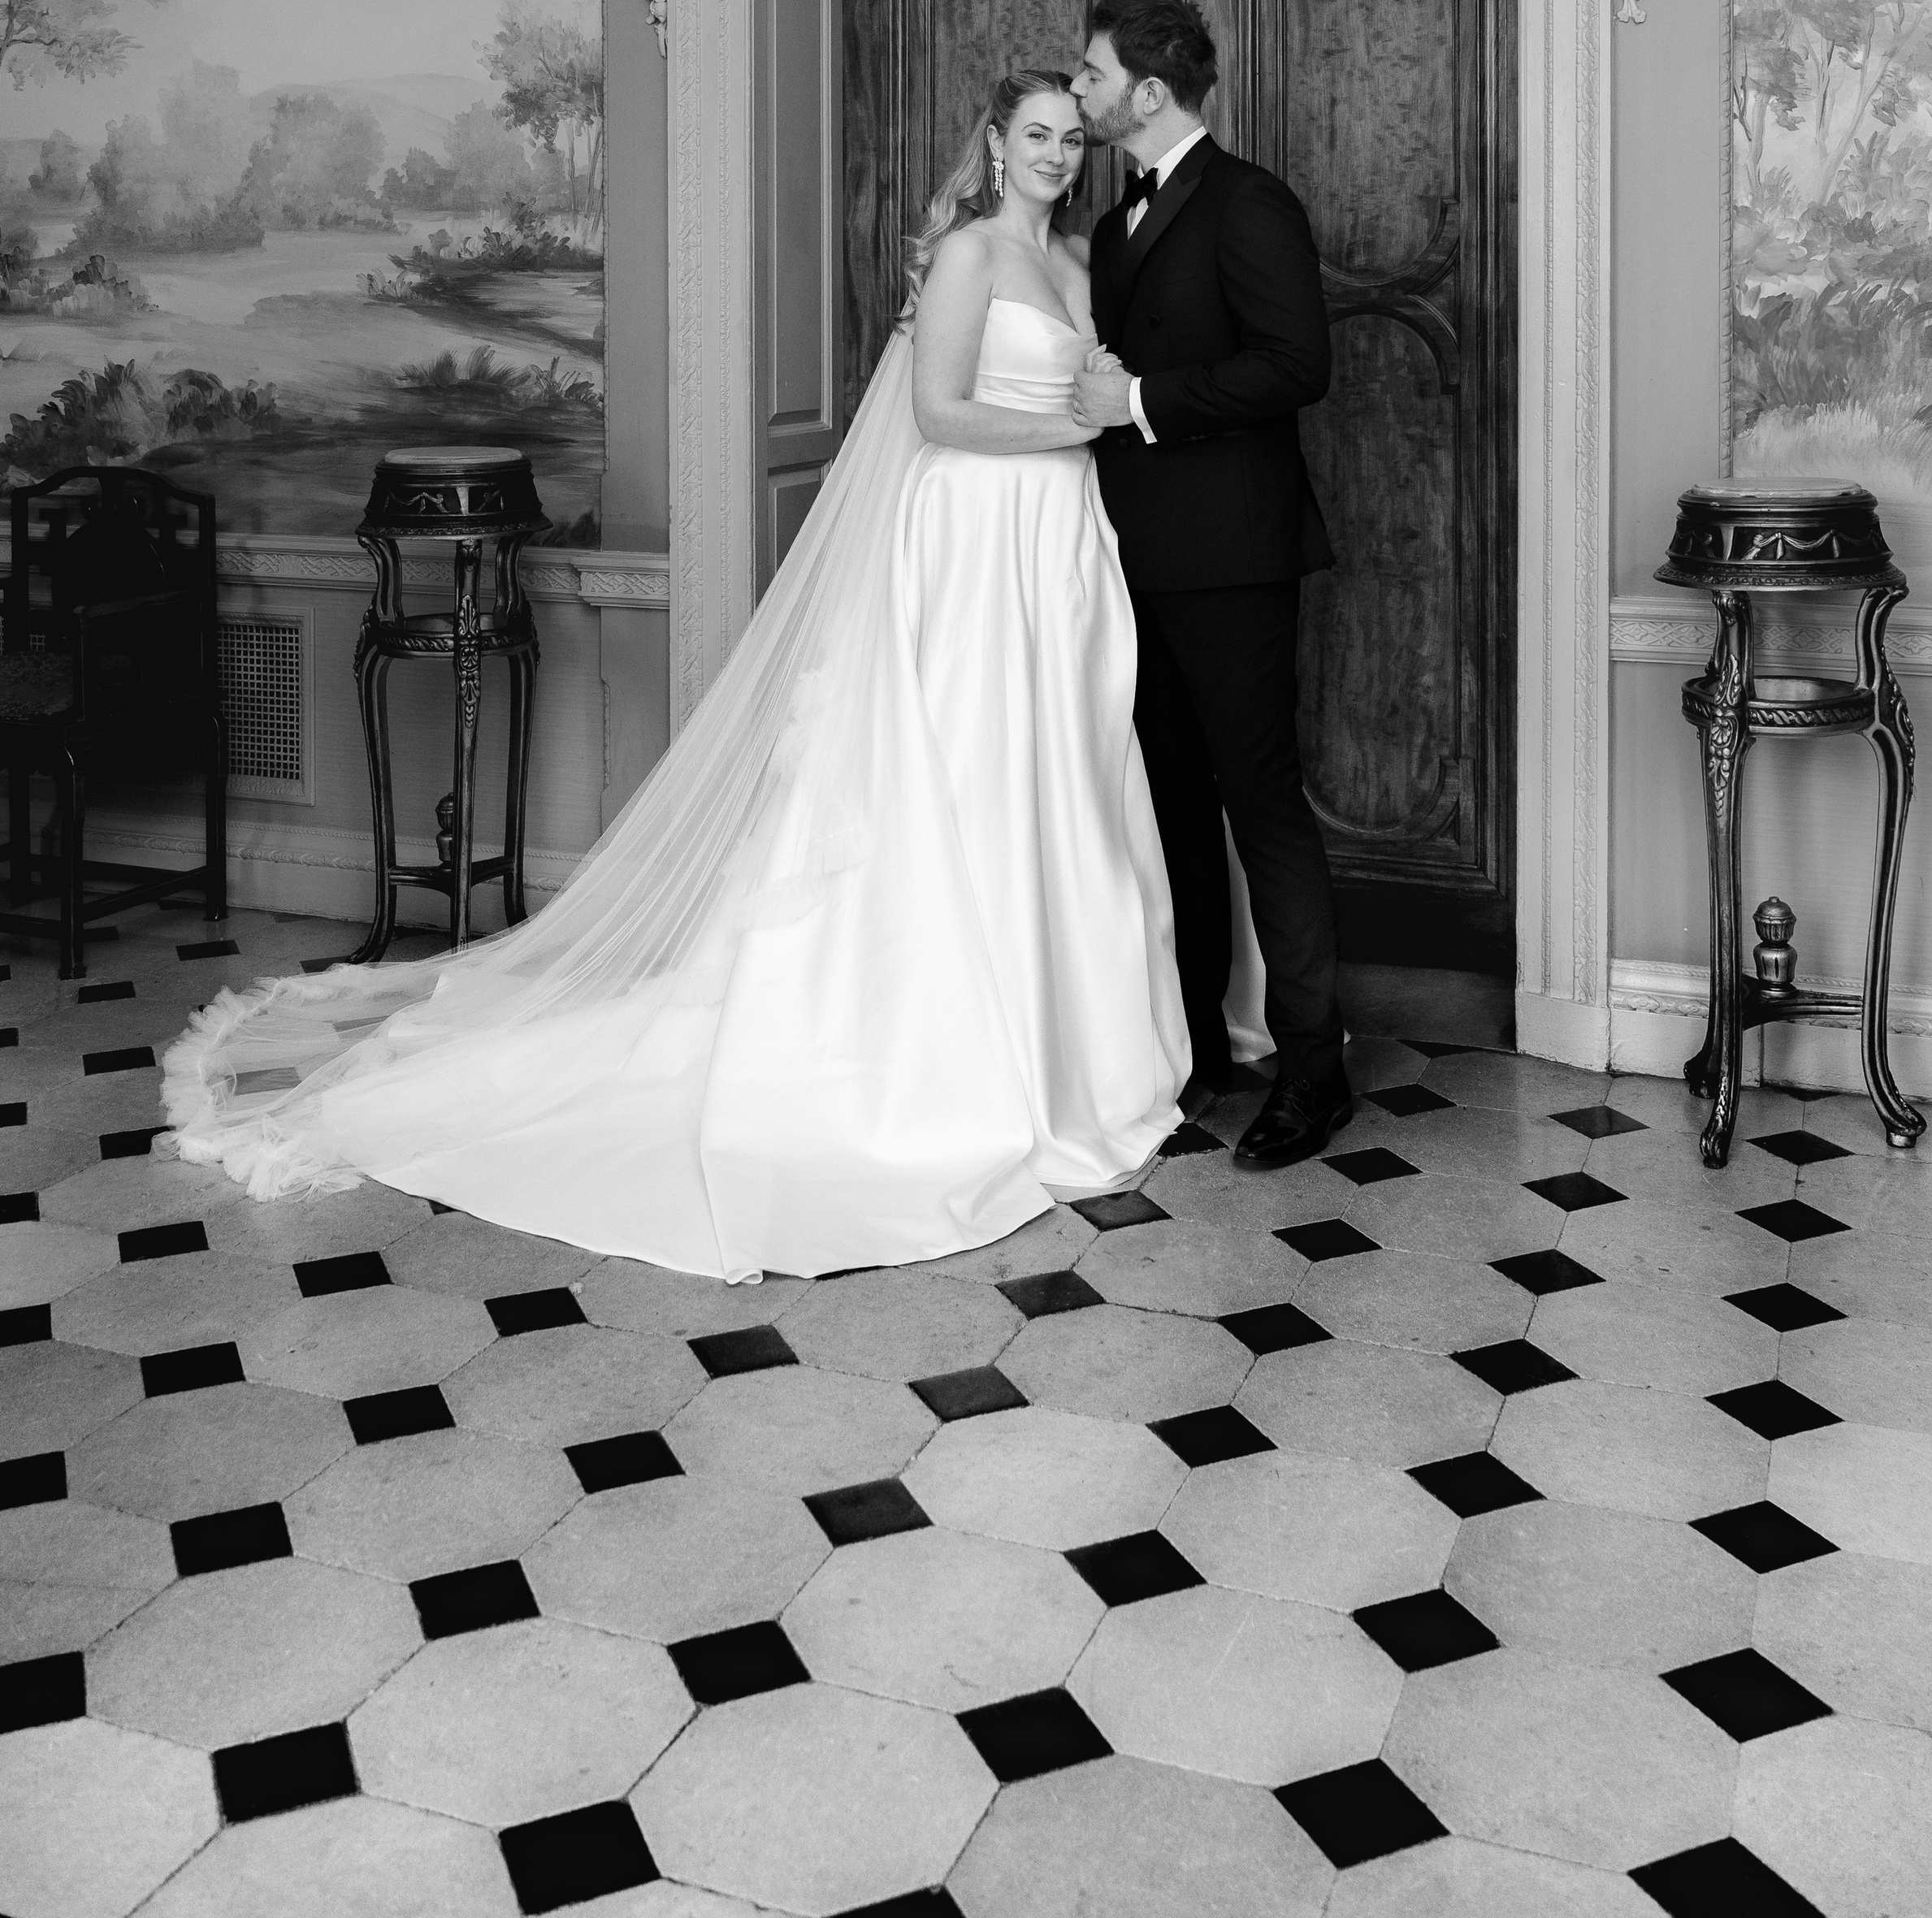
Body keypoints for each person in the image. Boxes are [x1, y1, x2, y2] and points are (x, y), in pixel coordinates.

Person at [160, 68, 1189, 1282]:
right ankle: (942, 1070)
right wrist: (1098, 423)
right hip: (974, 543)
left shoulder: (1078, 262)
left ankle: (1068, 1058)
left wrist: (1099, 423)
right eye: (1036, 135)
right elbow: (943, 414)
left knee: (1053, 784)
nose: (1058, 154)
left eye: (1073, 137)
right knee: (960, 778)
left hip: (1057, 549)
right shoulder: (968, 257)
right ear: (997, 143)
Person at [1070, 0, 1352, 1171]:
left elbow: (1299, 365)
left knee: (1262, 806)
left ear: (1147, 92)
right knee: (1174, 808)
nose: (1076, 90)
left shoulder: (1249, 202)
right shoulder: (1112, 216)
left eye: (1091, 74)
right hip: (1133, 561)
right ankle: (1190, 1050)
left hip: (1234, 563)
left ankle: (1313, 1071)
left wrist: (1137, 404)